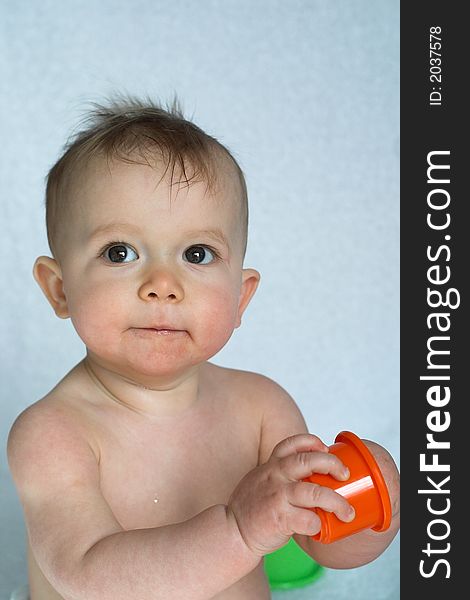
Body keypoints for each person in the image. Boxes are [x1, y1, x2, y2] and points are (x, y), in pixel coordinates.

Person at [7, 96, 400, 600]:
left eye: (198, 253)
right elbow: (87, 576)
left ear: (240, 297)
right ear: (59, 289)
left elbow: (320, 542)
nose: (162, 284)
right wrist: (239, 531)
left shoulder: (261, 408)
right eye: (119, 252)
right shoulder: (52, 433)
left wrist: (371, 511)